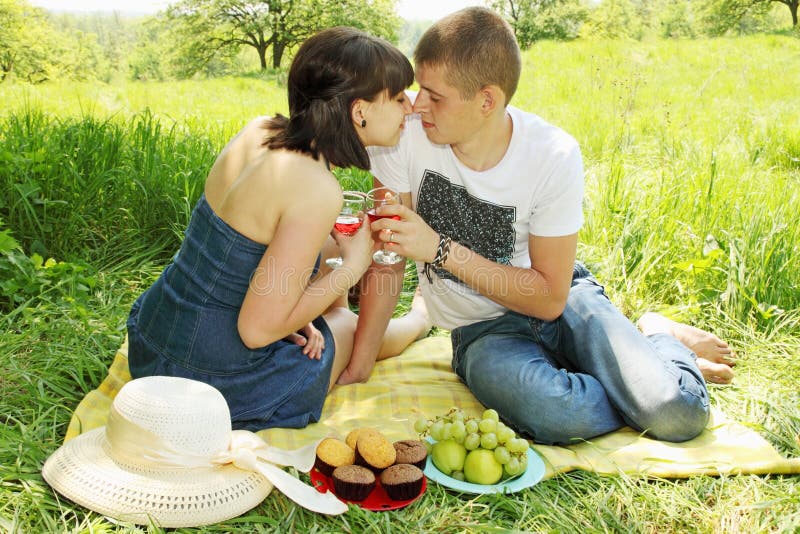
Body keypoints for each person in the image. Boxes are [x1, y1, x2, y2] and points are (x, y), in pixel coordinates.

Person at [341, 7, 735, 445]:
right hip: (482, 331)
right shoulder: (401, 139)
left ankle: (658, 337)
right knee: (554, 414)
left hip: (564, 302)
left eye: (435, 96)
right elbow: (388, 261)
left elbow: (550, 297)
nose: (416, 105)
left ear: (487, 100)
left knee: (675, 415)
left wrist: (440, 249)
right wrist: (360, 368)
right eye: (419, 90)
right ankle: (636, 383)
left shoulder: (553, 155)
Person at [125, 26, 429, 432]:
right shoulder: (317, 187)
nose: (409, 107)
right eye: (396, 97)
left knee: (325, 259)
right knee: (346, 325)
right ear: (359, 111)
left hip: (153, 342)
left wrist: (297, 304)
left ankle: (370, 313)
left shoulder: (260, 131)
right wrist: (351, 267)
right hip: (205, 384)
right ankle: (419, 321)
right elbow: (256, 331)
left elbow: (237, 254)